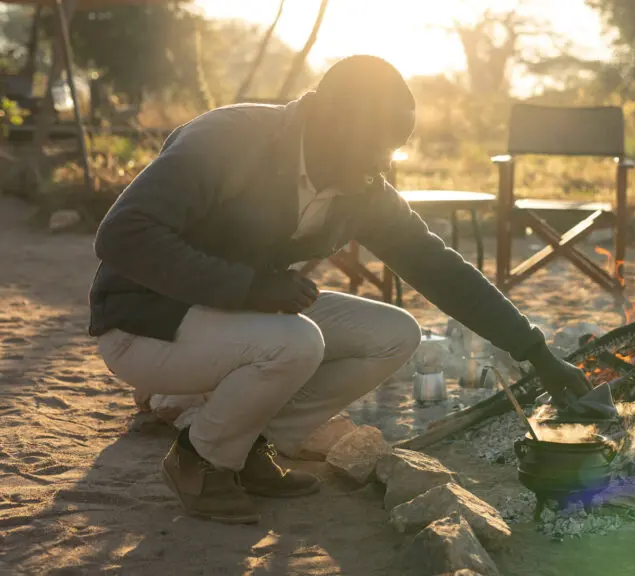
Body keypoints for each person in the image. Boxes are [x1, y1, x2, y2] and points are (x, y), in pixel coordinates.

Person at [89, 55, 592, 524]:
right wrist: (250, 288)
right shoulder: (230, 139)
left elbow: (438, 267)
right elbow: (122, 235)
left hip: (238, 317)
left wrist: (535, 352)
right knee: (297, 342)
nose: (383, 163)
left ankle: (247, 445)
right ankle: (200, 461)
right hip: (145, 323)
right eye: (376, 145)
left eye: (392, 149)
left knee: (394, 333)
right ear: (330, 121)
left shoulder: (360, 184)